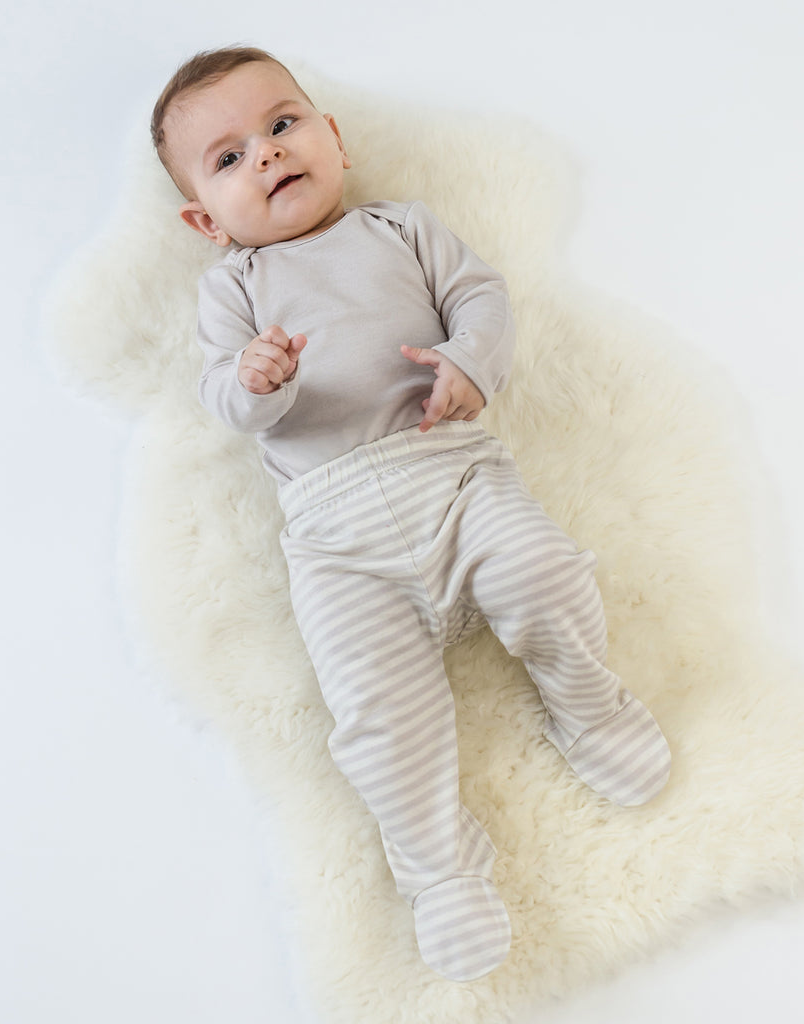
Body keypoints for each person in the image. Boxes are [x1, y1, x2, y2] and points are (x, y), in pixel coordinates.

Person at [150, 46, 671, 982]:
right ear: (203, 219)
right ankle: (442, 876)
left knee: (544, 571)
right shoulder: (233, 292)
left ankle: (587, 704)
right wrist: (253, 379)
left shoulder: (404, 228)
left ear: (334, 140)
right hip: (335, 534)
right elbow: (224, 403)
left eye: (281, 125)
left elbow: (482, 296)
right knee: (378, 720)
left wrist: (473, 360)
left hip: (453, 473)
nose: (265, 155)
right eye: (227, 159)